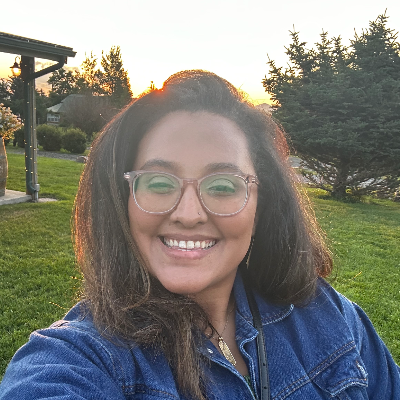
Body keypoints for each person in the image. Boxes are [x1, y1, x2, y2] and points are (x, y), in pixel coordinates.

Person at [0, 70, 399, 400]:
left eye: (223, 186)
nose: (188, 215)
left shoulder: (332, 316)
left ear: (262, 203)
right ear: (123, 200)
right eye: (159, 183)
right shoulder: (79, 360)